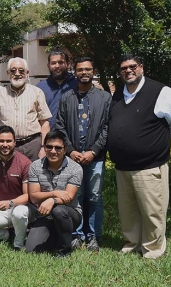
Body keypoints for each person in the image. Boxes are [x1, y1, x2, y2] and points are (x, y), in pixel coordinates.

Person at [106, 54, 171, 259]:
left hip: (149, 165)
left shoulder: (160, 91)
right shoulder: (118, 95)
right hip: (123, 166)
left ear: (141, 67)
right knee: (128, 211)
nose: (128, 70)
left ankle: (153, 249)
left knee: (153, 210)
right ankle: (132, 243)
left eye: (133, 66)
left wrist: (167, 137)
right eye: (124, 68)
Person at [55, 57, 111, 252]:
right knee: (74, 197)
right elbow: (60, 126)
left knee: (95, 197)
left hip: (96, 158)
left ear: (93, 71)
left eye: (88, 69)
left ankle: (93, 235)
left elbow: (107, 127)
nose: (84, 73)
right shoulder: (67, 97)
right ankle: (77, 234)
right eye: (80, 70)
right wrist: (71, 151)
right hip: (72, 159)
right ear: (75, 71)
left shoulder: (104, 98)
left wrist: (93, 151)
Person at [25, 130, 83, 257]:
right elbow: (34, 196)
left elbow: (69, 197)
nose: (53, 151)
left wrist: (52, 200)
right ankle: (67, 239)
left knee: (59, 211)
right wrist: (55, 193)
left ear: (65, 149)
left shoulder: (75, 168)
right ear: (44, 148)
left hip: (70, 213)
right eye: (49, 147)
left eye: (58, 148)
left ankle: (64, 251)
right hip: (45, 215)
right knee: (31, 250)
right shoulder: (35, 166)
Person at [0, 57, 52, 161]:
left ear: (27, 73)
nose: (17, 74)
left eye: (21, 70)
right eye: (13, 70)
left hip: (33, 146)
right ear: (8, 73)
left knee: (34, 175)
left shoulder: (37, 93)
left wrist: (43, 147)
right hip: (8, 146)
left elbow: (45, 123)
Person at [37, 48, 78, 129]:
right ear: (48, 66)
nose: (57, 66)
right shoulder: (39, 88)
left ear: (68, 64)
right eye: (53, 63)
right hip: (49, 136)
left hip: (73, 136)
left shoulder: (77, 85)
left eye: (61, 62)